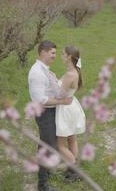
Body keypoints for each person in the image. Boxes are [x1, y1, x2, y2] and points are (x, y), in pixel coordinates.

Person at [28, 40, 72, 191]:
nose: (54, 56)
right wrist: (62, 101)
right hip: (44, 113)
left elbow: (50, 90)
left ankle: (46, 173)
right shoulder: (37, 73)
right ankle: (42, 185)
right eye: (52, 53)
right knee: (47, 147)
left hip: (51, 111)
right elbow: (41, 100)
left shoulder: (45, 69)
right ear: (43, 52)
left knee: (49, 145)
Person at [56, 45, 86, 182]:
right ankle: (73, 167)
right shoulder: (75, 72)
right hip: (72, 105)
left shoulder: (69, 75)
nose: (61, 56)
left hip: (65, 108)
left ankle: (75, 170)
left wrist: (52, 84)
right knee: (72, 139)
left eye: (63, 54)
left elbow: (59, 94)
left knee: (60, 145)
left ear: (68, 57)